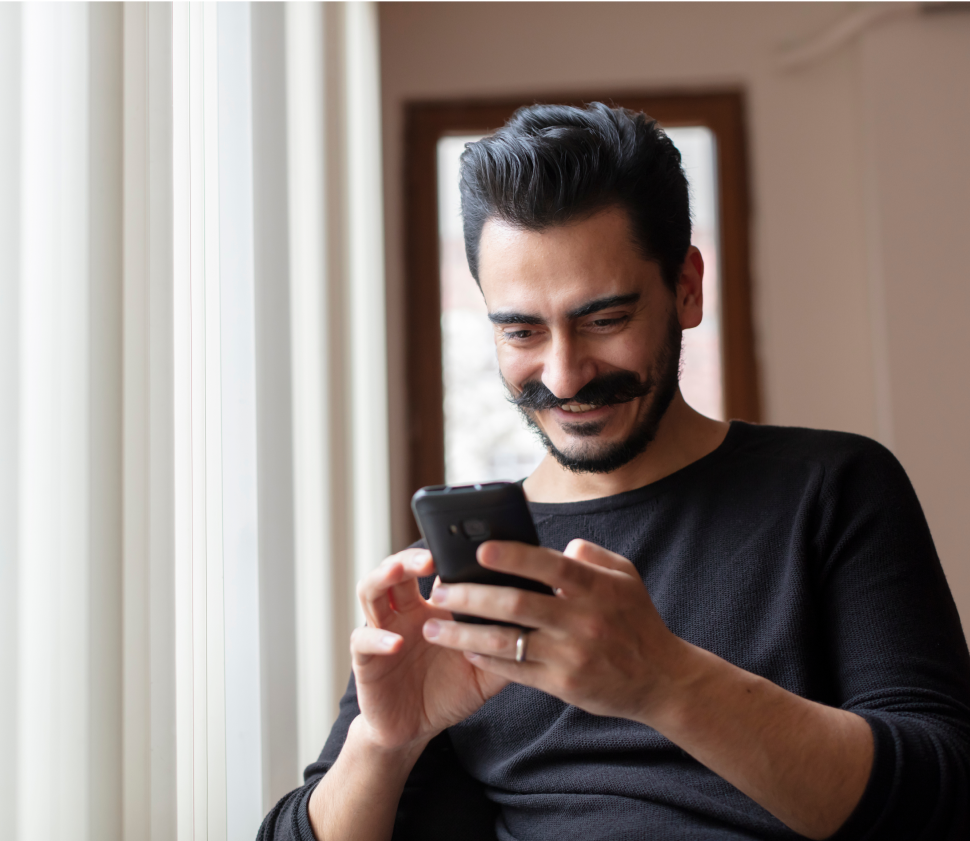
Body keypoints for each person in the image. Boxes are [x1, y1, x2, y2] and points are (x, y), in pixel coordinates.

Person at [258, 103, 970, 841]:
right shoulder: (465, 567)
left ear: (687, 289)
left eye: (604, 320)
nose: (564, 377)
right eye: (522, 331)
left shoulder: (833, 488)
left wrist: (665, 681)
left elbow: (943, 800)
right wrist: (384, 743)